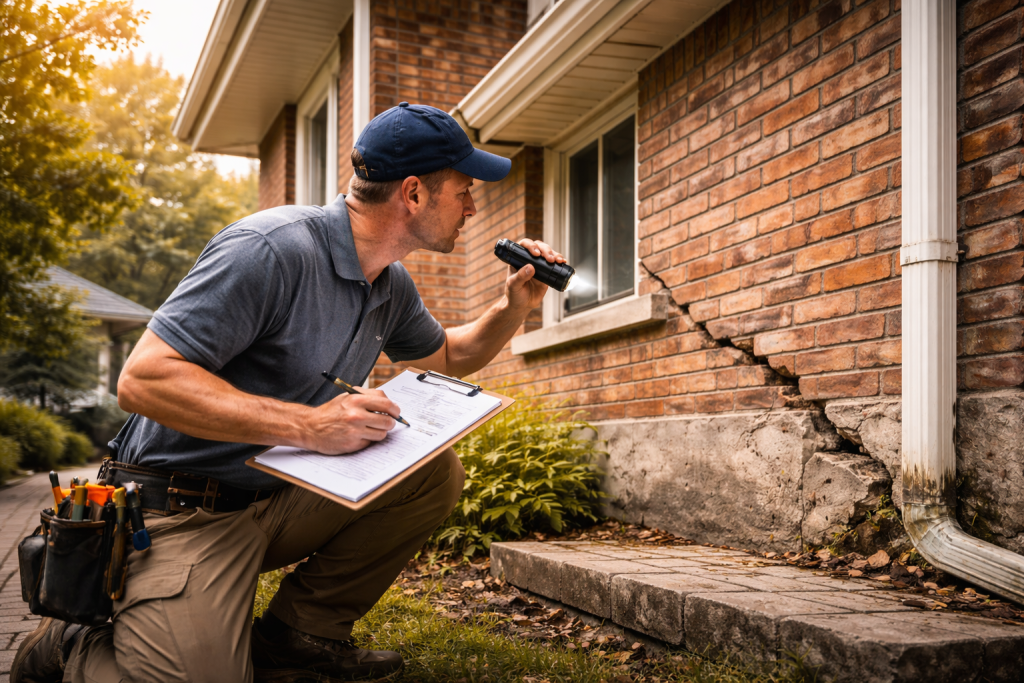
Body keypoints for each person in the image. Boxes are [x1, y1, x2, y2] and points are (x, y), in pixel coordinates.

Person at [12, 102, 567, 683]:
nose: (473, 207)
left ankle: (299, 637)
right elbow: (144, 379)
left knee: (431, 472)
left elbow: (451, 356)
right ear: (413, 193)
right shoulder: (269, 250)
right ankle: (68, 648)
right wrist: (309, 426)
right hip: (179, 511)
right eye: (464, 190)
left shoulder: (389, 283)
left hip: (273, 498)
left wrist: (513, 308)